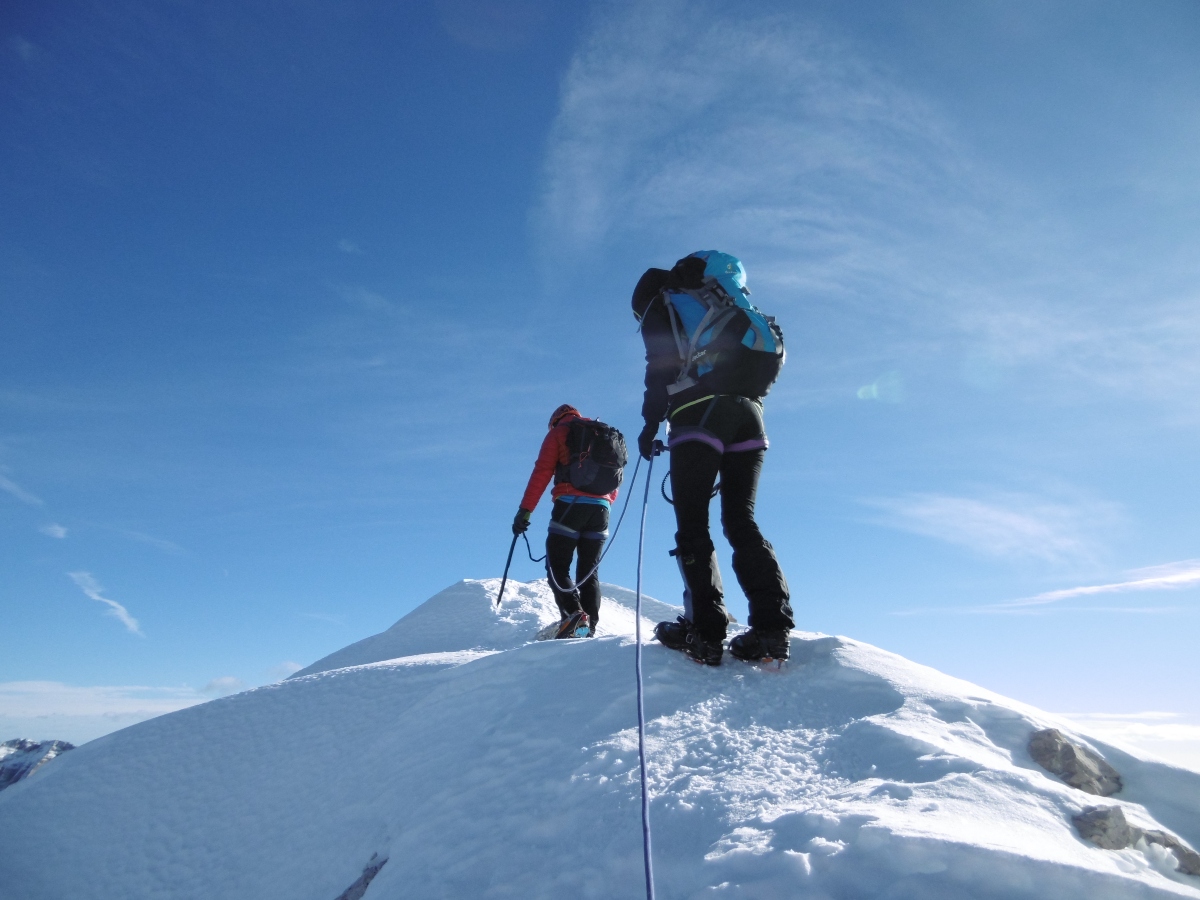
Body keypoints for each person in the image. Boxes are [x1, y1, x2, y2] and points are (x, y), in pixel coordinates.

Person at [632, 251, 794, 665]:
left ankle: (704, 632)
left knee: (693, 524)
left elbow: (659, 368)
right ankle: (771, 630)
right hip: (750, 414)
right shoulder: (723, 299)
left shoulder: (662, 303)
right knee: (741, 520)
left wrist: (650, 427)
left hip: (698, 414)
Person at [513, 404, 619, 639]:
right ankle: (588, 628)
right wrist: (605, 502)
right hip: (602, 510)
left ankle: (574, 616)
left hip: (570, 506)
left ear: (555, 420)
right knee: (589, 572)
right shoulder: (601, 434)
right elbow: (614, 478)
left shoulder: (559, 432)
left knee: (557, 566)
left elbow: (542, 472)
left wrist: (525, 511)